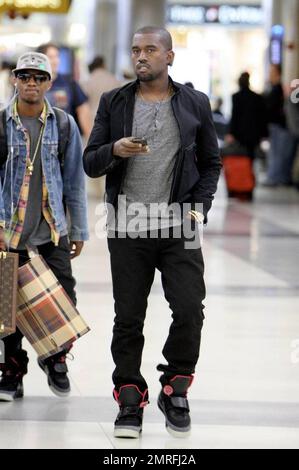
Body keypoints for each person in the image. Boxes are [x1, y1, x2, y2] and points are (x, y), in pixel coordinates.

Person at [83, 26, 221, 438]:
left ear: (169, 57)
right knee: (128, 317)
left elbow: (211, 163)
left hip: (180, 225)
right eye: (135, 50)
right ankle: (129, 396)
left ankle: (175, 386)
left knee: (190, 310)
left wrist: (198, 210)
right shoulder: (115, 101)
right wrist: (114, 151)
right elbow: (91, 161)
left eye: (150, 49)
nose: (141, 56)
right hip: (128, 224)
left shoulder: (195, 102)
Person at [0, 52, 89, 401]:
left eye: (38, 78)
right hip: (8, 230)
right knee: (6, 306)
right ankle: (12, 368)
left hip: (52, 229)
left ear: (50, 83)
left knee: (64, 295)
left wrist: (78, 229)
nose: (31, 83)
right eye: (25, 77)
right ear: (15, 80)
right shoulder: (1, 123)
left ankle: (55, 358)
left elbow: (74, 182)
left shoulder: (64, 125)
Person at [36, 43, 93, 142]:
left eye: (57, 56)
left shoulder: (69, 83)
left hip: (65, 142)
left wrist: (90, 143)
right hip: (38, 141)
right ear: (40, 60)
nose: (55, 61)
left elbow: (83, 110)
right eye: (51, 57)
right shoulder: (32, 84)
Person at [263, 64, 297, 186]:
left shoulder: (280, 90)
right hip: (277, 126)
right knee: (277, 153)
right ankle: (276, 177)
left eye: (272, 71)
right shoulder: (274, 88)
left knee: (279, 154)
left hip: (282, 126)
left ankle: (277, 178)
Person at [227, 72, 268, 157]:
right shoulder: (257, 97)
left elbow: (235, 116)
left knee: (241, 156)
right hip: (254, 133)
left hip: (240, 133)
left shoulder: (236, 97)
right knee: (251, 157)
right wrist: (264, 134)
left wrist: (231, 132)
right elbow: (261, 117)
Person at [82, 55, 122, 120]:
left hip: (92, 119)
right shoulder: (114, 80)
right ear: (103, 65)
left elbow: (84, 104)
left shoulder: (88, 81)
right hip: (111, 118)